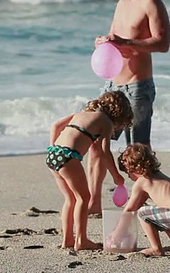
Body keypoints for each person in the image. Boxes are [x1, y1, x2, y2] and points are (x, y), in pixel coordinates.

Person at [87, 0, 170, 215]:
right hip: (112, 87)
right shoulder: (121, 4)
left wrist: (129, 44)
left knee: (138, 153)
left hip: (137, 87)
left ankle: (146, 203)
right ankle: (93, 201)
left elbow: (162, 43)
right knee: (94, 140)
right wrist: (105, 42)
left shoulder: (150, 1)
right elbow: (117, 40)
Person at [46, 91, 133, 251]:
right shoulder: (105, 121)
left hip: (53, 155)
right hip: (68, 157)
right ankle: (81, 240)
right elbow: (104, 151)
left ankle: (68, 240)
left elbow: (55, 126)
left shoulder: (82, 113)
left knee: (70, 199)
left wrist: (54, 147)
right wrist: (116, 176)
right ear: (119, 113)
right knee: (83, 198)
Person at [108, 143, 170, 256]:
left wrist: (117, 234)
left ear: (136, 168)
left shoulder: (142, 182)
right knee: (159, 211)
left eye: (128, 173)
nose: (129, 177)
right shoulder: (158, 175)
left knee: (142, 212)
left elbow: (130, 210)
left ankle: (156, 248)